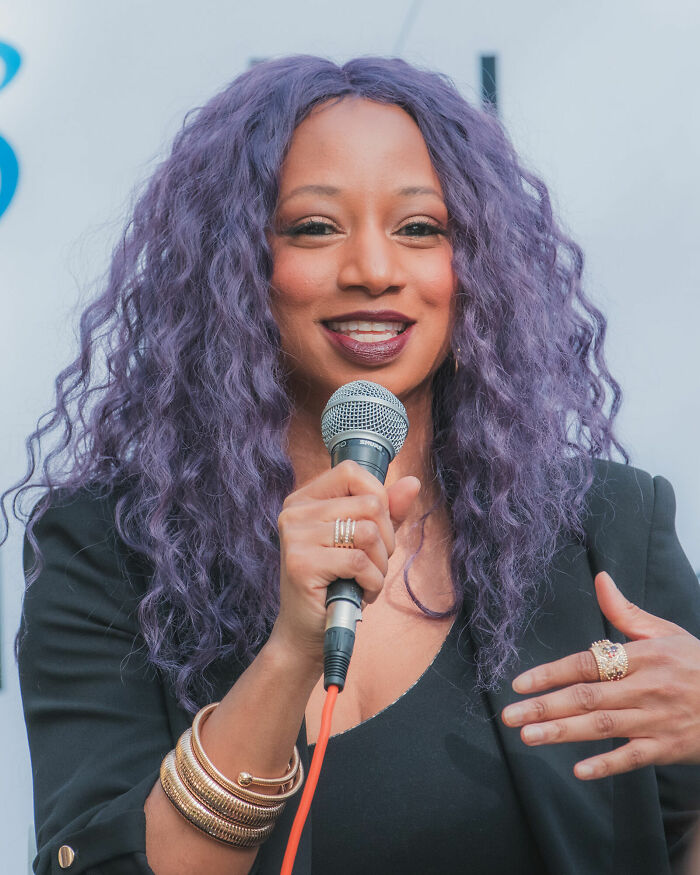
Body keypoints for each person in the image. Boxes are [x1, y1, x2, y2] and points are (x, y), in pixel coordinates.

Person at [6, 55, 700, 875]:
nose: (374, 269)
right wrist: (292, 649)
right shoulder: (110, 550)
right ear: (238, 270)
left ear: (471, 268)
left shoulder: (606, 531)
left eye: (420, 229)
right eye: (314, 227)